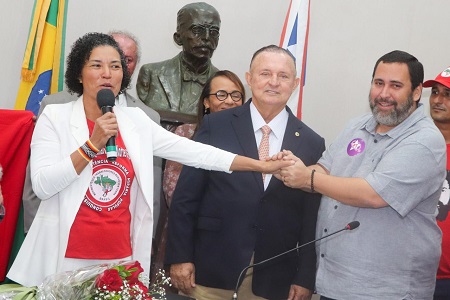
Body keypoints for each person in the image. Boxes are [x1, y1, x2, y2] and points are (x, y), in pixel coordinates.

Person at [6, 33, 290, 288]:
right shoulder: (55, 117)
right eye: (96, 65)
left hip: (119, 261)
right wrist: (92, 144)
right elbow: (43, 186)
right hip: (63, 257)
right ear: (79, 73)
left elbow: (199, 153)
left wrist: (259, 165)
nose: (107, 73)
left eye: (116, 66)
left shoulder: (135, 121)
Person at [278, 50, 446, 299]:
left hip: (387, 291)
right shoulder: (356, 126)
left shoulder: (424, 141)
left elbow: (373, 194)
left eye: (395, 86)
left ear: (417, 92)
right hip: (334, 283)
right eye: (378, 83)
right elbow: (323, 170)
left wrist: (307, 178)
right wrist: (290, 167)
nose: (384, 94)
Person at [166, 45, 325, 300]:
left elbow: (310, 220)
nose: (274, 82)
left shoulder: (311, 142)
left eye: (283, 76)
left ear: (295, 84)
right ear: (250, 79)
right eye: (265, 74)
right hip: (212, 270)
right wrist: (180, 256)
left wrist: (305, 276)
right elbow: (186, 198)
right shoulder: (215, 125)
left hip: (274, 279)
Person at [22, 30, 163, 242]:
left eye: (122, 61)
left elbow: (151, 190)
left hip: (119, 242)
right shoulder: (55, 106)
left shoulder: (147, 117)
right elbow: (37, 182)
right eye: (99, 63)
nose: (108, 71)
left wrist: (146, 238)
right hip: (59, 237)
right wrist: (35, 233)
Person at [163, 70, 246, 206]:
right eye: (221, 95)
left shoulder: (250, 138)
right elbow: (172, 189)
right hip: (192, 219)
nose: (230, 101)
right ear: (206, 102)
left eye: (236, 95)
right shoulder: (185, 133)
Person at [136, 2, 220, 129]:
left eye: (214, 32)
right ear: (178, 38)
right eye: (197, 30)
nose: (207, 38)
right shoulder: (151, 73)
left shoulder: (223, 84)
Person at [423, 66, 450, 300]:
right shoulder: (413, 146)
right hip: (414, 275)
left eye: (448, 94)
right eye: (435, 92)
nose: (438, 100)